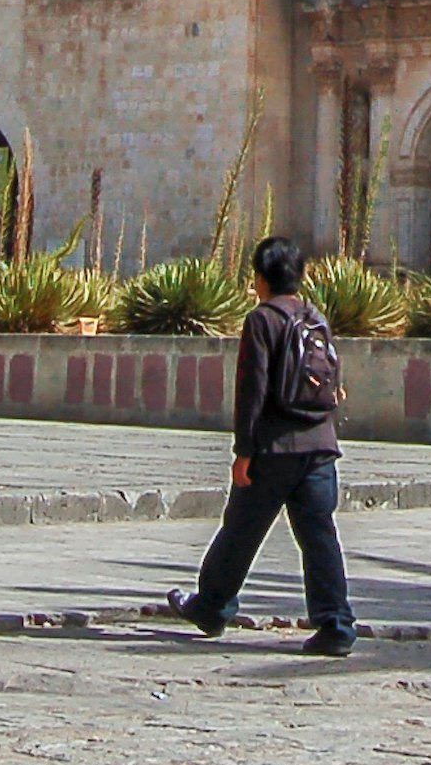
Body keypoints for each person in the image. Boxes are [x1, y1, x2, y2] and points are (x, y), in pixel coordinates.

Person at [168, 237, 355, 657]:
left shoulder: (263, 320)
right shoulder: (315, 317)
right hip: (321, 446)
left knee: (240, 531)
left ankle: (212, 606)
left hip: (274, 449)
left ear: (259, 279)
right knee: (320, 536)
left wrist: (244, 453)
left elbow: (252, 390)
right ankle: (337, 624)